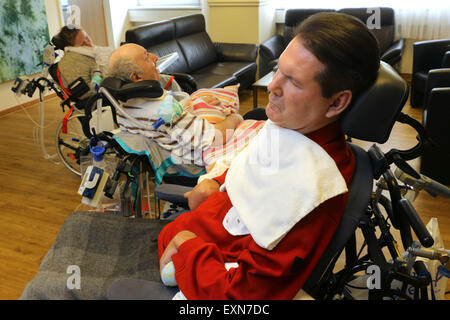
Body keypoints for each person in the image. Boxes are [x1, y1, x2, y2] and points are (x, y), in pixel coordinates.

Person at [154, 12, 380, 299]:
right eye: (278, 70)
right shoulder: (291, 129)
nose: (272, 87)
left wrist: (186, 244)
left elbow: (242, 296)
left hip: (198, 272)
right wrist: (219, 181)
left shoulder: (313, 189)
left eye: (294, 82)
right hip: (194, 238)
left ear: (336, 102)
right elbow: (255, 169)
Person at [108, 43, 245, 166]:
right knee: (252, 118)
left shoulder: (123, 108)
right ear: (137, 77)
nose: (155, 57)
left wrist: (195, 102)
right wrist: (235, 118)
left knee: (202, 96)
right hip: (199, 159)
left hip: (182, 136)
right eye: (147, 58)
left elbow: (172, 118)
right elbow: (215, 137)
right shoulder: (161, 111)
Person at [51, 26, 114, 99]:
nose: (88, 43)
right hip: (95, 96)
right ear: (73, 46)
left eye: (87, 37)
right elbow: (92, 89)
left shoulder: (87, 52)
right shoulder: (72, 61)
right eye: (83, 43)